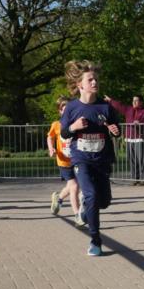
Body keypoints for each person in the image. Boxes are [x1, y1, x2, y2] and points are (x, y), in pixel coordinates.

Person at [59, 61, 122, 256]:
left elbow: (116, 129)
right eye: (90, 79)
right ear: (80, 85)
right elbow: (63, 132)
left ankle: (86, 211)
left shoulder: (106, 107)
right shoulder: (72, 108)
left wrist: (115, 131)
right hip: (81, 159)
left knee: (103, 202)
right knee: (91, 196)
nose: (95, 82)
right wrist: (73, 127)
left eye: (96, 79)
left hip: (102, 159)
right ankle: (95, 240)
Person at [47, 96, 84, 227]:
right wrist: (51, 148)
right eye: (63, 109)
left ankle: (59, 198)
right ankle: (77, 215)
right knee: (74, 187)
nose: (66, 111)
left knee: (71, 186)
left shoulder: (77, 124)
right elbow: (50, 137)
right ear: (60, 111)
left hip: (77, 160)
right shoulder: (56, 125)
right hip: (63, 162)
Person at [104, 93, 144, 185]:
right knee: (132, 160)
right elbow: (119, 106)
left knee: (142, 160)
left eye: (136, 100)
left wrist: (140, 122)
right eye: (133, 100)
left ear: (141, 102)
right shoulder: (129, 110)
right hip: (129, 139)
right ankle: (135, 179)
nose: (134, 102)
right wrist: (110, 100)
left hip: (140, 139)